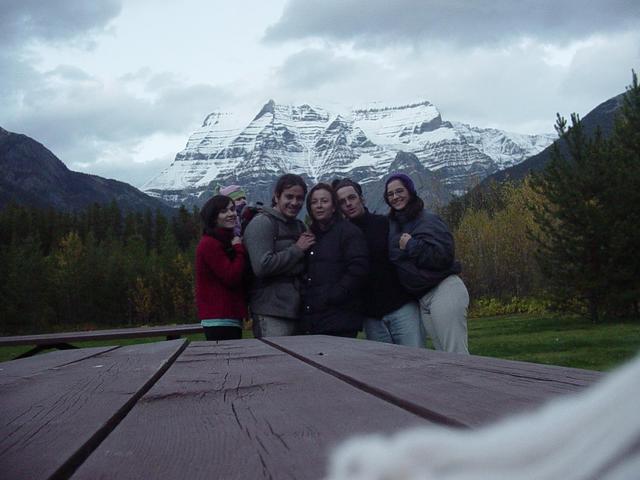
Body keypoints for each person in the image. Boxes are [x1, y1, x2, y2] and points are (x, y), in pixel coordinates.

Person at [385, 173, 469, 354]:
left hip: (443, 290)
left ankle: (474, 383)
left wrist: (411, 245)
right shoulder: (395, 225)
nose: (395, 197)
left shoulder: (427, 219)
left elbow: (443, 256)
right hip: (423, 298)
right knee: (443, 353)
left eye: (400, 191)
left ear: (410, 191)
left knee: (456, 353)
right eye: (390, 194)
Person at [334, 178, 423, 347]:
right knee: (383, 369)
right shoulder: (341, 235)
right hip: (371, 316)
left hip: (402, 307)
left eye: (352, 198)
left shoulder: (385, 223)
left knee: (417, 360)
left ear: (361, 198)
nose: (348, 204)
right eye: (342, 202)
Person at [243, 174, 316, 337]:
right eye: (289, 197)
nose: (294, 203)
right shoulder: (262, 223)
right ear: (276, 196)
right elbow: (262, 266)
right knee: (276, 361)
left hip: (298, 310)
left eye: (299, 198)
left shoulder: (300, 226)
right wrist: (297, 249)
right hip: (270, 312)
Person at [302, 183, 369, 337]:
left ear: (333, 207)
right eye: (314, 202)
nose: (319, 206)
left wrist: (334, 295)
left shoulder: (348, 232)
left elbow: (358, 269)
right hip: (314, 319)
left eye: (324, 201)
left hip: (341, 319)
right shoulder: (310, 236)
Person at [195, 194, 247, 341]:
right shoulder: (210, 244)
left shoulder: (222, 240)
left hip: (228, 316)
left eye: (232, 209)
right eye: (224, 211)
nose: (231, 214)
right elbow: (231, 276)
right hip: (219, 318)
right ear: (213, 217)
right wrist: (239, 248)